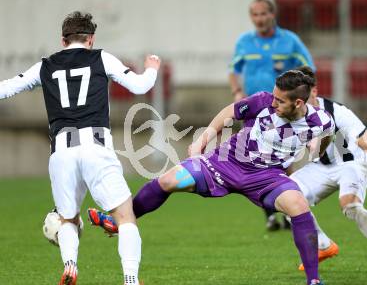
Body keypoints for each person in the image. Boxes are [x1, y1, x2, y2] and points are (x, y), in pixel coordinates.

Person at [89, 70, 335, 285]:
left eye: (280, 101)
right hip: (225, 163)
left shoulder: (321, 120)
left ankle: (313, 279)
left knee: (299, 206)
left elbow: (326, 136)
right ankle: (119, 221)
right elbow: (230, 111)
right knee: (167, 181)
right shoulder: (262, 101)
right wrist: (203, 138)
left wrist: (318, 149)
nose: (273, 102)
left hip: (267, 177)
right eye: (273, 96)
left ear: (299, 102)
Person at [0, 11, 161, 285]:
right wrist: (152, 67)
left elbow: (7, 88)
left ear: (63, 40)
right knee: (125, 216)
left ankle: (71, 266)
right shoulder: (101, 57)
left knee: (67, 219)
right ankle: (131, 279)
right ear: (90, 39)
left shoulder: (45, 65)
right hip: (95, 145)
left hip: (61, 151)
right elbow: (140, 85)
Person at [290, 66, 367, 276]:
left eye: (301, 95)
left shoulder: (338, 112)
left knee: (350, 205)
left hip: (352, 163)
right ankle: (323, 245)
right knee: (286, 193)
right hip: (322, 166)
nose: (296, 102)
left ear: (314, 91)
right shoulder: (292, 115)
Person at [229, 0, 316, 231]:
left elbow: (309, 69)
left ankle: (288, 210)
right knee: (256, 160)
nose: (259, 19)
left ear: (272, 14)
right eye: (255, 15)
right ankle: (270, 214)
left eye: (262, 14)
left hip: (283, 112)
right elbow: (234, 70)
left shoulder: (290, 41)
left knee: (285, 162)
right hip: (255, 111)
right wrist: (237, 92)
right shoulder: (244, 42)